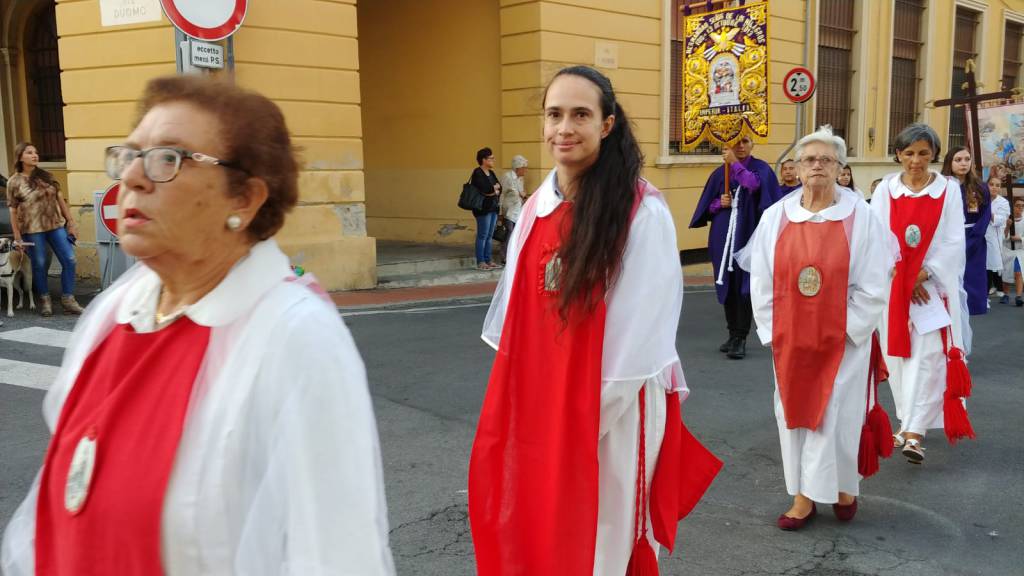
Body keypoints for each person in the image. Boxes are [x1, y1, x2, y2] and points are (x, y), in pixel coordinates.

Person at [1, 76, 395, 575]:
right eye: (130, 154)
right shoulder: (114, 311)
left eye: (170, 158)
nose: (134, 178)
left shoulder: (293, 337)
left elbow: (336, 555)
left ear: (244, 200)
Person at [469, 65, 720, 576]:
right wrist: (525, 406)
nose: (565, 127)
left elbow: (639, 337)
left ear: (607, 124)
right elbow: (518, 315)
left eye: (580, 114)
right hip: (546, 402)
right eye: (554, 114)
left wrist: (578, 420)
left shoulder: (639, 211)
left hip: (611, 406)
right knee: (539, 522)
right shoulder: (538, 206)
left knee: (602, 530)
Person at [740, 126, 895, 531]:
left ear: (840, 168)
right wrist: (774, 331)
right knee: (793, 416)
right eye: (810, 160)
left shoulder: (862, 218)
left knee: (837, 416)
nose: (817, 166)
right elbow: (762, 279)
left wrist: (848, 330)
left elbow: (876, 281)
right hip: (791, 340)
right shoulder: (777, 218)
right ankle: (803, 496)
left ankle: (843, 488)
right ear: (795, 167)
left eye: (827, 160)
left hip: (842, 341)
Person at [871, 123, 973, 465]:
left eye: (924, 153)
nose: (916, 160)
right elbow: (878, 235)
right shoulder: (886, 189)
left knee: (928, 358)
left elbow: (953, 240)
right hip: (895, 286)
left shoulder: (948, 190)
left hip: (931, 289)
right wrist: (901, 273)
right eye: (909, 153)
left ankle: (916, 431)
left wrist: (922, 274)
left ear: (934, 155)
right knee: (898, 356)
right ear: (898, 154)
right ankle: (906, 420)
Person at [689, 136, 782, 359]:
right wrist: (718, 203)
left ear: (752, 145)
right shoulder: (719, 174)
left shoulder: (761, 169)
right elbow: (707, 208)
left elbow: (753, 185)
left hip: (747, 234)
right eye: (736, 142)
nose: (740, 146)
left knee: (744, 284)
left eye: (745, 141)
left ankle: (741, 336)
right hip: (723, 236)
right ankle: (732, 334)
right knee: (726, 284)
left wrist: (735, 164)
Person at [5, 142, 83, 317]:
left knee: (69, 259)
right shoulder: (14, 181)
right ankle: (45, 300)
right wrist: (17, 237)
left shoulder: (47, 176)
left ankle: (68, 300)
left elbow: (60, 200)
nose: (35, 155)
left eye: (36, 152)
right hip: (32, 229)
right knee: (39, 265)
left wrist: (70, 222)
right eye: (29, 152)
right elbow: (13, 211)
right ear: (20, 157)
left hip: (55, 225)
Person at [942, 146, 991, 315]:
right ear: (950, 162)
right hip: (946, 242)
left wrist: (969, 243)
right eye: (958, 160)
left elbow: (984, 218)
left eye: (967, 159)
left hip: (973, 243)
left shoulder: (980, 188)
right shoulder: (941, 186)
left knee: (970, 286)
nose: (963, 163)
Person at [470, 147, 502, 270]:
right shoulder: (477, 173)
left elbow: (501, 188)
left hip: (493, 207)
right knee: (482, 235)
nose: (493, 160)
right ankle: (481, 261)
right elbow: (486, 189)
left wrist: (494, 189)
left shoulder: (491, 173)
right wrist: (494, 189)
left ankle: (488, 260)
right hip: (483, 208)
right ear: (484, 159)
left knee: (489, 235)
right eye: (491, 158)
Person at [499, 155, 528, 263]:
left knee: (516, 234)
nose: (526, 170)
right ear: (518, 168)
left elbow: (521, 193)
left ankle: (513, 256)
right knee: (509, 232)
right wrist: (500, 211)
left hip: (518, 211)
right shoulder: (507, 177)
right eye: (524, 168)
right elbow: (502, 194)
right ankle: (505, 256)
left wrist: (524, 196)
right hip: (509, 211)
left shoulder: (520, 179)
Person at [985, 176, 1011, 296]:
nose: (994, 187)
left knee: (992, 263)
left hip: (994, 236)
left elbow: (1000, 220)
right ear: (986, 185)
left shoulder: (1003, 202)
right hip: (979, 235)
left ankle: (996, 288)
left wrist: (986, 211)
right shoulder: (981, 198)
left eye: (998, 185)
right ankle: (989, 289)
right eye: (991, 184)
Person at [1000, 197, 1024, 306]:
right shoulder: (1007, 220)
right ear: (1013, 207)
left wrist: (1019, 238)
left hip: (1020, 250)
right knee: (1006, 272)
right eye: (1017, 205)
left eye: (1022, 206)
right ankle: (1006, 294)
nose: (1020, 208)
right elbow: (1002, 237)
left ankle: (1018, 296)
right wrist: (1008, 227)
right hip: (1007, 250)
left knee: (1018, 272)